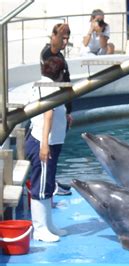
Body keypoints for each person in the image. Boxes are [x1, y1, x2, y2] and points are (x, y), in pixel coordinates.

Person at [25, 57, 69, 243]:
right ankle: (40, 229)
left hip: (51, 143)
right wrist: (44, 144)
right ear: (60, 73)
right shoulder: (48, 87)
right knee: (41, 187)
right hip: (44, 144)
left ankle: (49, 225)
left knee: (48, 185)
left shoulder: (45, 85)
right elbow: (47, 114)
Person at [40, 23, 73, 127]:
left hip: (62, 109)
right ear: (54, 36)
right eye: (62, 38)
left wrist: (67, 112)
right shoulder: (48, 53)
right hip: (54, 108)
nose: (66, 42)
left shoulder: (59, 54)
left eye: (67, 39)